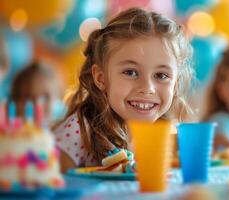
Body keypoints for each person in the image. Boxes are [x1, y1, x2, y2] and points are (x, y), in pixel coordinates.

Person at [53, 7, 194, 172]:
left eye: (161, 75)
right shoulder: (78, 132)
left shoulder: (159, 136)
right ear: (101, 78)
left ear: (175, 83)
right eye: (131, 72)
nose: (147, 88)